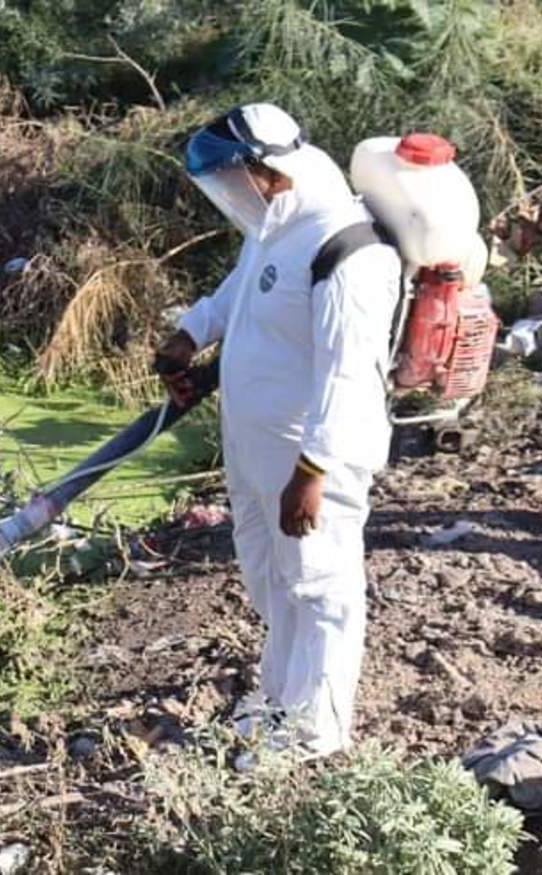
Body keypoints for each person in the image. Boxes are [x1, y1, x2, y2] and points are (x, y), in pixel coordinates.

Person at [156, 104, 401, 760]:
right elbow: (243, 288)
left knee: (320, 583)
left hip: (307, 454)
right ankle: (279, 701)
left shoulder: (348, 251)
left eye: (232, 182)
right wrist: (191, 333)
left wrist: (313, 473)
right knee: (270, 575)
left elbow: (348, 375)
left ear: (267, 173)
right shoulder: (274, 222)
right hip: (255, 445)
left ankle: (317, 726)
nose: (228, 198)